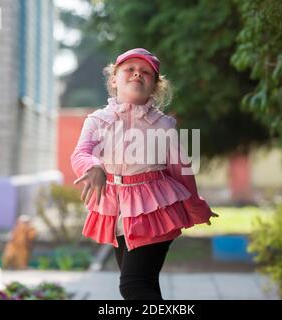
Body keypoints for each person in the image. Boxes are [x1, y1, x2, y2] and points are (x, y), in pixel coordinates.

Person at [71, 48, 218, 300]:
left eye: (146, 72)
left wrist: (196, 207)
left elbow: (182, 171)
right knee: (145, 284)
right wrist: (93, 166)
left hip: (154, 210)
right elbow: (81, 153)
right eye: (130, 69)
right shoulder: (97, 120)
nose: (137, 73)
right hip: (116, 209)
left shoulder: (164, 125)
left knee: (132, 286)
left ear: (155, 86)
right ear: (114, 79)